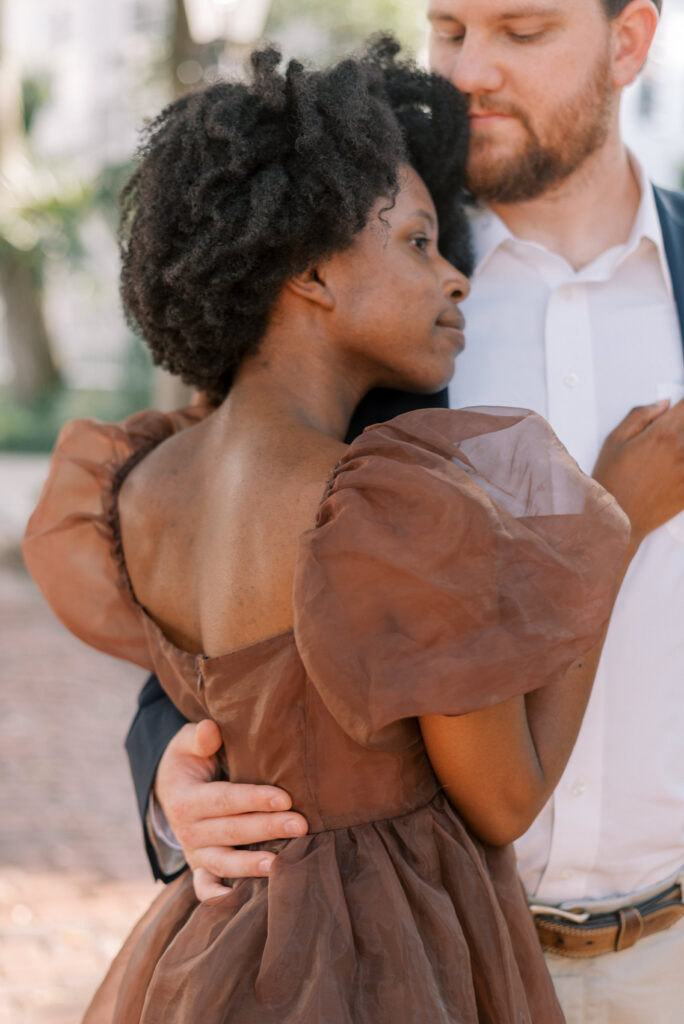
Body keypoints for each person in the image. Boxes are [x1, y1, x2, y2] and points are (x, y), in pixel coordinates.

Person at [23, 40, 635, 1024]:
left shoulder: (138, 482)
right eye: (417, 245)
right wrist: (622, 514)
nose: (455, 279)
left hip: (220, 955)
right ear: (310, 272)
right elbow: (504, 802)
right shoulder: (390, 508)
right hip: (394, 952)